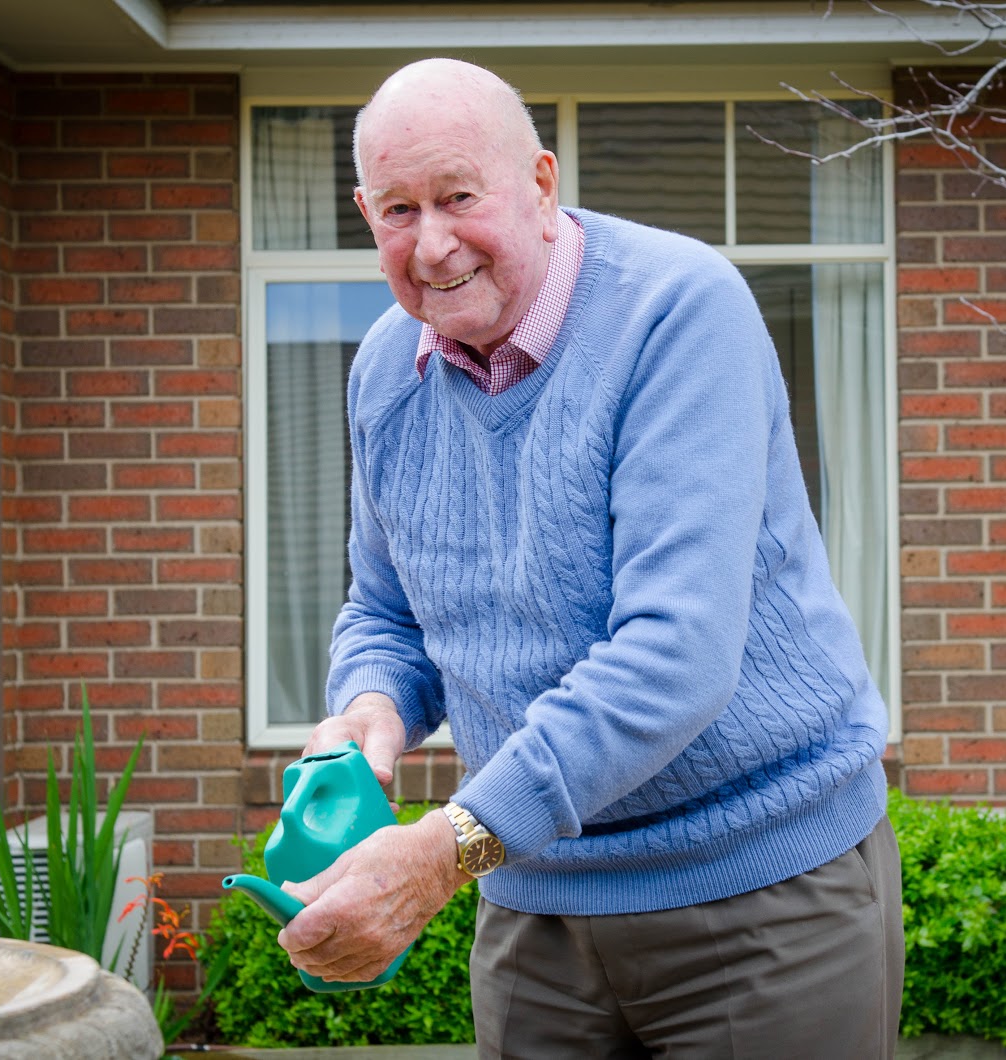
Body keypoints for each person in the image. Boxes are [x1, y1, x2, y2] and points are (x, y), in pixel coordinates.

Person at [277, 56, 904, 1058]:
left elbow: (673, 656)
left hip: (762, 898)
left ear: (538, 183)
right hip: (534, 907)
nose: (431, 245)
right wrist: (372, 708)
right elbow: (388, 613)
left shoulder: (677, 311)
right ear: (365, 212)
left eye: (457, 197)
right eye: (398, 210)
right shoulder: (384, 370)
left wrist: (448, 849)